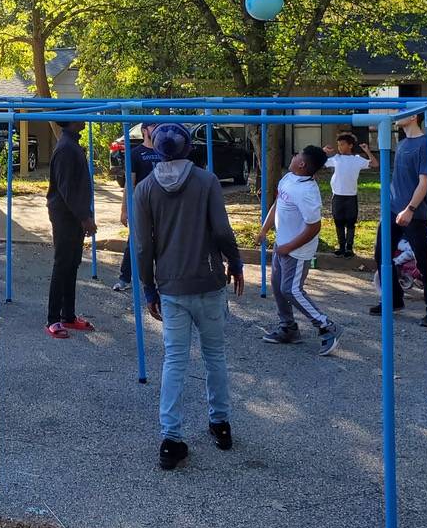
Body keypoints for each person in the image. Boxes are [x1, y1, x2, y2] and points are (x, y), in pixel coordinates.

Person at [134, 123, 244, 470]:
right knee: (215, 355)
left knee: (175, 361)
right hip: (209, 280)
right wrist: (236, 262)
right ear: (188, 148)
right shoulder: (206, 180)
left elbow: (142, 245)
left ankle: (170, 438)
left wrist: (148, 286)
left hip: (171, 286)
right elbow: (222, 230)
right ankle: (220, 423)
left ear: (157, 150)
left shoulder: (145, 188)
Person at [258, 145, 342, 356]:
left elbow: (314, 227)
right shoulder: (289, 179)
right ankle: (288, 328)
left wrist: (289, 247)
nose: (293, 156)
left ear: (302, 164)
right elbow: (277, 204)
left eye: (297, 155)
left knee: (291, 290)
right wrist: (264, 230)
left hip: (297, 251)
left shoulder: (307, 192)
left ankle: (326, 325)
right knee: (278, 287)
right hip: (282, 245)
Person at [370, 113, 427, 326]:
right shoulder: (402, 143)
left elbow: (424, 182)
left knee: (425, 262)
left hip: (414, 213)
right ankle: (394, 300)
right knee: (381, 255)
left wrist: (410, 209)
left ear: (414, 116)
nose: (396, 115)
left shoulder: (425, 144)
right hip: (392, 209)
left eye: (403, 112)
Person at [45, 121, 98, 338]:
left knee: (72, 263)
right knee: (62, 264)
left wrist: (85, 215)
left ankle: (68, 315)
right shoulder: (66, 148)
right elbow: (67, 189)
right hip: (65, 215)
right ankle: (53, 319)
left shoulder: (71, 144)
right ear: (72, 122)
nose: (85, 119)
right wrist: (84, 218)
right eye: (80, 116)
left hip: (74, 214)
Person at [114, 122, 162, 292]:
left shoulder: (163, 151)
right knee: (135, 242)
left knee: (162, 242)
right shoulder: (135, 154)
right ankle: (124, 278)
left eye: (158, 126)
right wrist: (124, 210)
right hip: (141, 206)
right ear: (144, 131)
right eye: (153, 126)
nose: (156, 129)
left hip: (162, 207)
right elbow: (130, 183)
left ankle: (161, 280)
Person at [322, 132, 378, 257]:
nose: (340, 147)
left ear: (350, 145)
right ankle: (341, 247)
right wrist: (323, 151)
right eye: (338, 145)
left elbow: (374, 164)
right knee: (339, 222)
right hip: (337, 196)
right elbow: (320, 162)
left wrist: (367, 151)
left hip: (351, 196)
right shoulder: (336, 158)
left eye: (342, 144)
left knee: (350, 222)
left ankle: (349, 247)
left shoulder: (357, 160)